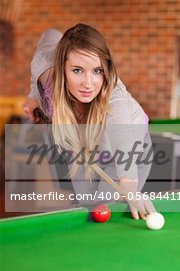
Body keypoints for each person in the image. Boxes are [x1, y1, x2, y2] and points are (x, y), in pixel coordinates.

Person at [28, 24, 154, 220]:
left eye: (97, 71)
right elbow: (50, 34)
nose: (89, 83)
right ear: (62, 68)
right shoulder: (44, 65)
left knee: (102, 209)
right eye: (77, 70)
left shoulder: (114, 94)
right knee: (88, 207)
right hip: (81, 150)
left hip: (124, 153)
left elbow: (122, 138)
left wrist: (128, 184)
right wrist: (34, 96)